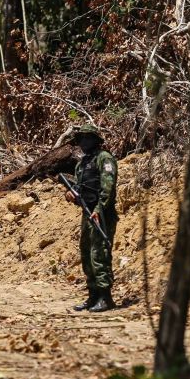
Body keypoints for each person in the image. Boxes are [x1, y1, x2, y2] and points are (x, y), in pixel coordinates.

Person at [65, 124, 118, 312]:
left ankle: (106, 298)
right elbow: (81, 189)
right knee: (87, 254)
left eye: (88, 137)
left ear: (96, 140)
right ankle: (93, 296)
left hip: (102, 214)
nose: (84, 142)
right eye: (81, 138)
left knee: (100, 254)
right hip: (87, 214)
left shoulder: (104, 158)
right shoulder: (82, 164)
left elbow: (108, 188)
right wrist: (71, 194)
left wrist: (99, 209)